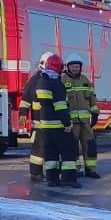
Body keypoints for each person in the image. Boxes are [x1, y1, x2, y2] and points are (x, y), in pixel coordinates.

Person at [21, 52, 79, 188]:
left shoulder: (41, 81)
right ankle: (69, 179)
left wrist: (24, 114)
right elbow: (60, 106)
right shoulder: (56, 83)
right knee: (68, 152)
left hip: (44, 124)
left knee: (50, 154)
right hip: (58, 125)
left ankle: (52, 179)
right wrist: (67, 123)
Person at [61, 54, 99, 178]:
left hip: (85, 121)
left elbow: (92, 98)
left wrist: (95, 113)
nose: (75, 68)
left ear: (80, 67)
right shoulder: (63, 81)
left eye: (77, 66)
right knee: (72, 147)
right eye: (73, 66)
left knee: (90, 144)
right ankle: (75, 170)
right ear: (68, 67)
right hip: (71, 122)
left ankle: (91, 170)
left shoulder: (85, 80)